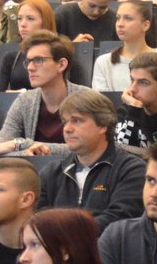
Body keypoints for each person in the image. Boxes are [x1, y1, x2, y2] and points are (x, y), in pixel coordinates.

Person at [34, 90, 145, 231]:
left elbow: (118, 220)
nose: (67, 129)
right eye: (65, 122)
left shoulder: (131, 170)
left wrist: (63, 232)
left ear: (103, 125)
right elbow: (37, 221)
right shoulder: (51, 173)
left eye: (77, 121)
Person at [0, 32, 89, 156]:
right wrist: (25, 153)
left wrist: (25, 144)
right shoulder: (24, 101)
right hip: (33, 168)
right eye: (28, 61)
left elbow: (89, 148)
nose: (30, 68)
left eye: (38, 60)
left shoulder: (86, 99)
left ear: (61, 64)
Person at [92, 0, 157, 92]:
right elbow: (100, 100)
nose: (120, 24)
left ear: (145, 25)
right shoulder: (103, 62)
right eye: (118, 18)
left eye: (128, 18)